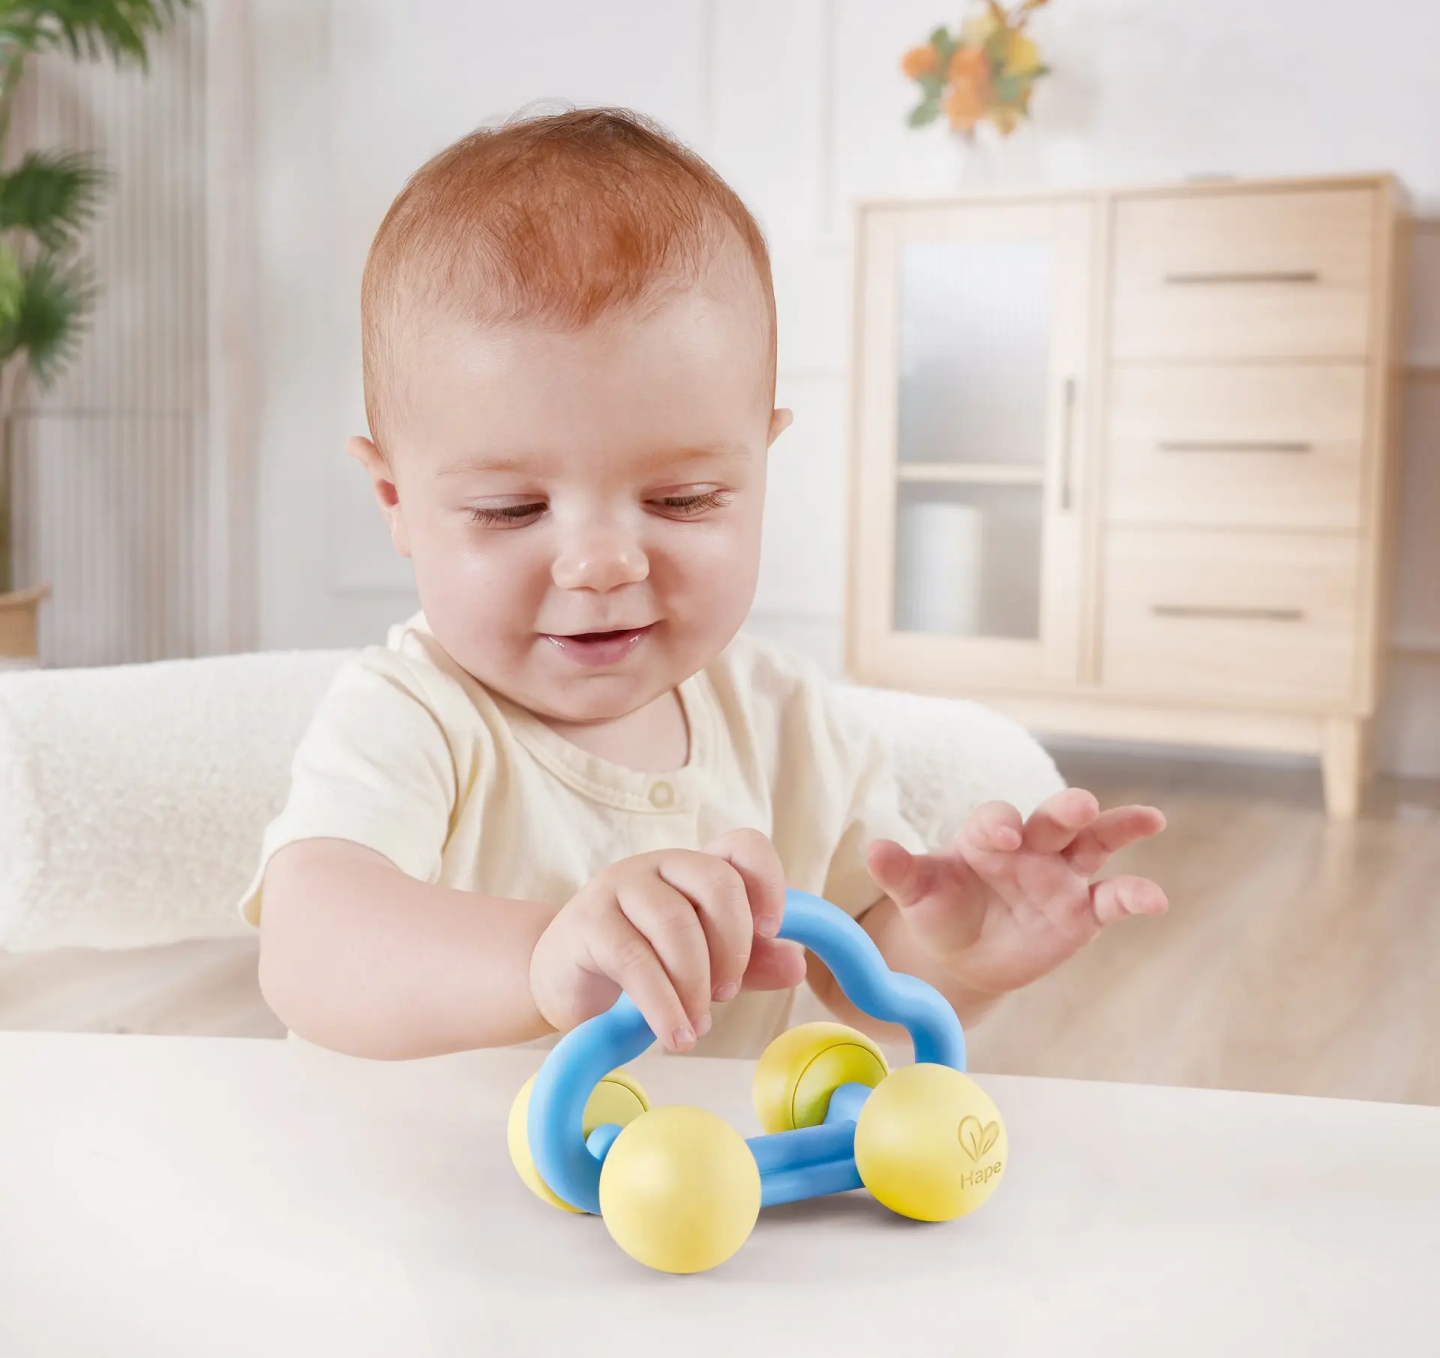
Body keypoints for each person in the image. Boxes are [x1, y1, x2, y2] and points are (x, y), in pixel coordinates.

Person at [243, 107, 1167, 1062]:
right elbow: (313, 951)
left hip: (693, 1208)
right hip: (414, 1197)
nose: (601, 564)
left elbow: (873, 985)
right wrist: (547, 958)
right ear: (395, 500)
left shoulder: (791, 725)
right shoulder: (413, 717)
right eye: (512, 510)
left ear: (761, 468)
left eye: (682, 500)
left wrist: (963, 956)